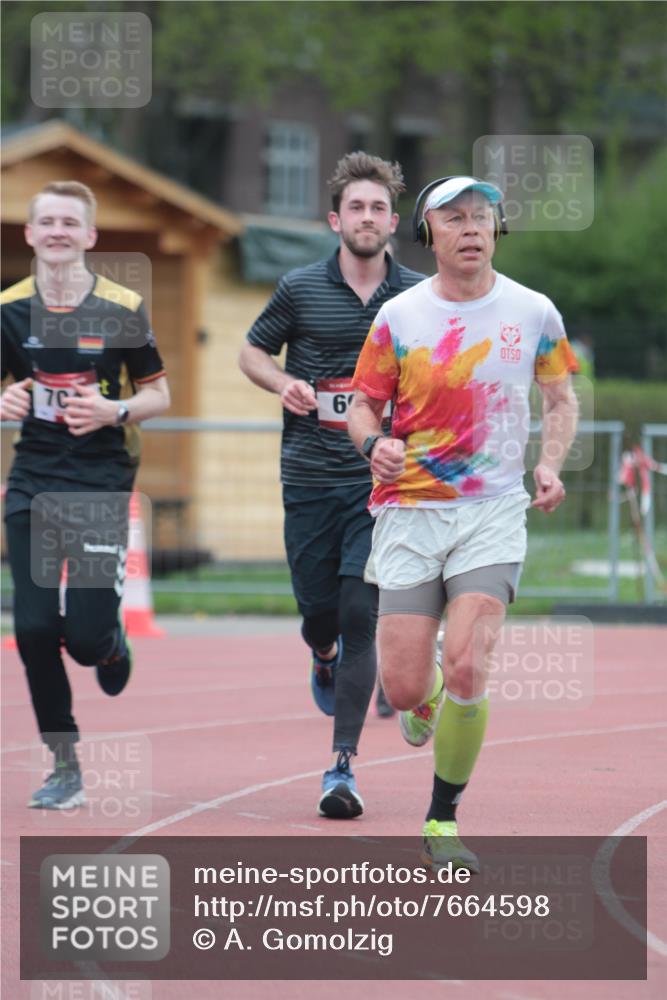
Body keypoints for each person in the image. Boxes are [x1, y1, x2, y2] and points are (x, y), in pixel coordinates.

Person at [348, 175, 578, 866]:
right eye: (455, 218)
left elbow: (559, 399)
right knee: (405, 686)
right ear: (428, 234)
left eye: (483, 217)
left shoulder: (533, 310)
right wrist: (372, 444)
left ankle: (442, 819)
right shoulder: (398, 317)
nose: (472, 228)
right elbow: (362, 404)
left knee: (470, 661)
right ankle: (430, 698)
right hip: (410, 512)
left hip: (492, 510)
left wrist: (550, 464)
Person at [239, 152, 424, 818]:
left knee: (359, 614)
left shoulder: (416, 296)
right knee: (320, 613)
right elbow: (251, 350)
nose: (366, 217)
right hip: (309, 477)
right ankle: (319, 652)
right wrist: (281, 381)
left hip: (379, 483)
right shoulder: (298, 287)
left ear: (392, 222)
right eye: (356, 207)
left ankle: (340, 767)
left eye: (377, 208)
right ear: (334, 219)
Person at [1, 180, 170, 809]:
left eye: (70, 223)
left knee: (87, 640)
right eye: (46, 222)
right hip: (33, 484)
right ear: (30, 234)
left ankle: (110, 642)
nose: (57, 232)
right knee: (36, 630)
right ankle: (64, 762)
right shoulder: (8, 309)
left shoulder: (122, 307)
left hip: (100, 483)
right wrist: (3, 400)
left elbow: (159, 394)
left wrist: (113, 410)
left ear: (89, 236)